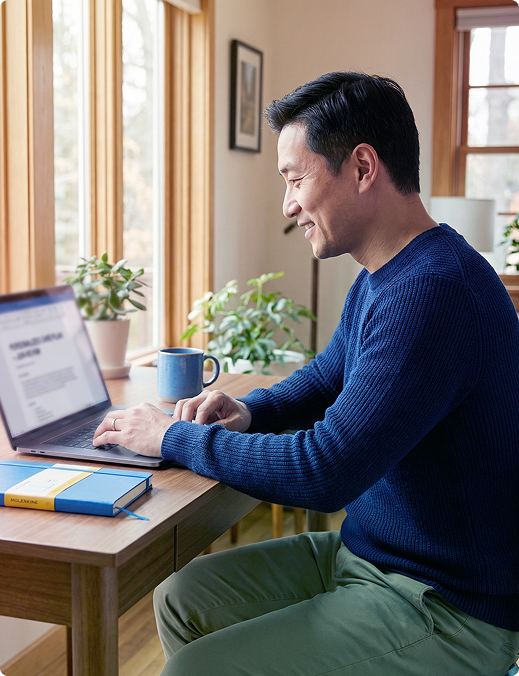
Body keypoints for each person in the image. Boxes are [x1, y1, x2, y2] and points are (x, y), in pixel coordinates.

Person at [93, 72, 519, 676]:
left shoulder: (435, 292)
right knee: (183, 600)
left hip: (446, 607)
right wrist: (251, 411)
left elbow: (325, 471)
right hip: (368, 557)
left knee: (198, 668)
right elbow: (327, 377)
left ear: (363, 167)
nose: (289, 204)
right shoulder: (387, 274)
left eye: (296, 179)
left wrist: (171, 437)